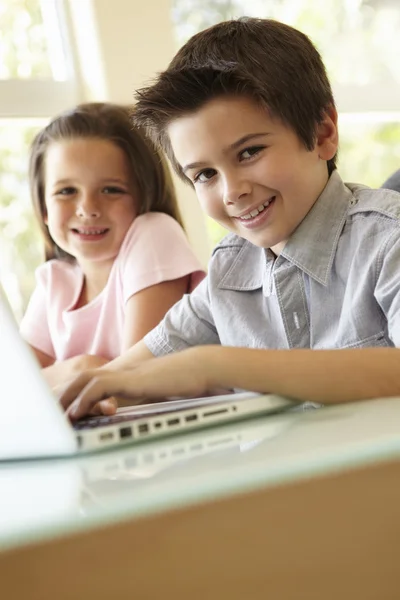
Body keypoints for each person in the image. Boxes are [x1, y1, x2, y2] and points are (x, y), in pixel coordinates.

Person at [59, 18, 400, 419]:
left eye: (249, 152)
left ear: (323, 133)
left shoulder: (386, 241)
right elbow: (123, 378)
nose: (231, 190)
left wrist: (216, 365)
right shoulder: (229, 269)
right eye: (205, 174)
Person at [20, 102, 205, 389]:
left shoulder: (155, 233)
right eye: (66, 191)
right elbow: (15, 387)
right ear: (43, 208)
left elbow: (135, 381)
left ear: (145, 196)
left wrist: (58, 378)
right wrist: (82, 366)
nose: (87, 209)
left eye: (111, 190)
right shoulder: (54, 279)